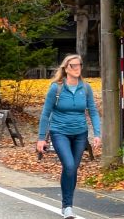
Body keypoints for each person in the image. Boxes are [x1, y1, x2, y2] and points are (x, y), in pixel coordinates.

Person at [36, 54, 101, 219]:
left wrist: (97, 134)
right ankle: (67, 206)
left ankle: (67, 205)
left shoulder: (85, 88)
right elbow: (45, 114)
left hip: (80, 133)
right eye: (73, 65)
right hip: (60, 132)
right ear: (66, 68)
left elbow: (93, 111)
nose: (77, 68)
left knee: (72, 170)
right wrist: (41, 138)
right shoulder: (56, 88)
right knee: (70, 166)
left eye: (79, 65)